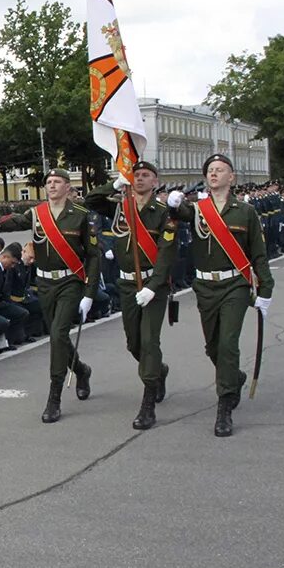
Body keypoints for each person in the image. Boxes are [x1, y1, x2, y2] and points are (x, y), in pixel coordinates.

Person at [166, 154, 274, 436]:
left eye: (219, 170)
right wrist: (174, 204)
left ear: (231, 177)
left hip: (235, 286)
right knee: (213, 347)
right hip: (205, 288)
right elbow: (180, 214)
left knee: (227, 344)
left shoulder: (245, 211)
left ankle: (224, 405)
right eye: (210, 170)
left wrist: (266, 290)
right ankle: (234, 377)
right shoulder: (199, 209)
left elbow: (259, 254)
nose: (213, 174)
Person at [0, 168, 101, 423]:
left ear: (66, 186)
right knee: (56, 336)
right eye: (48, 182)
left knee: (59, 333)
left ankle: (54, 397)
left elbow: (93, 256)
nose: (51, 185)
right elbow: (18, 220)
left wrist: (90, 293)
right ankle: (81, 370)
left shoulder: (81, 216)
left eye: (57, 181)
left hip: (70, 281)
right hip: (45, 283)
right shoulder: (38, 214)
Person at [85, 160, 178, 430]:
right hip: (127, 285)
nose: (139, 179)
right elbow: (92, 200)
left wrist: (152, 286)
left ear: (155, 181)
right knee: (134, 343)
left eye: (145, 175)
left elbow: (166, 253)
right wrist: (115, 184)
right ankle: (159, 371)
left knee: (149, 342)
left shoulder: (163, 212)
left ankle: (147, 403)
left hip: (153, 285)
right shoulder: (119, 207)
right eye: (135, 175)